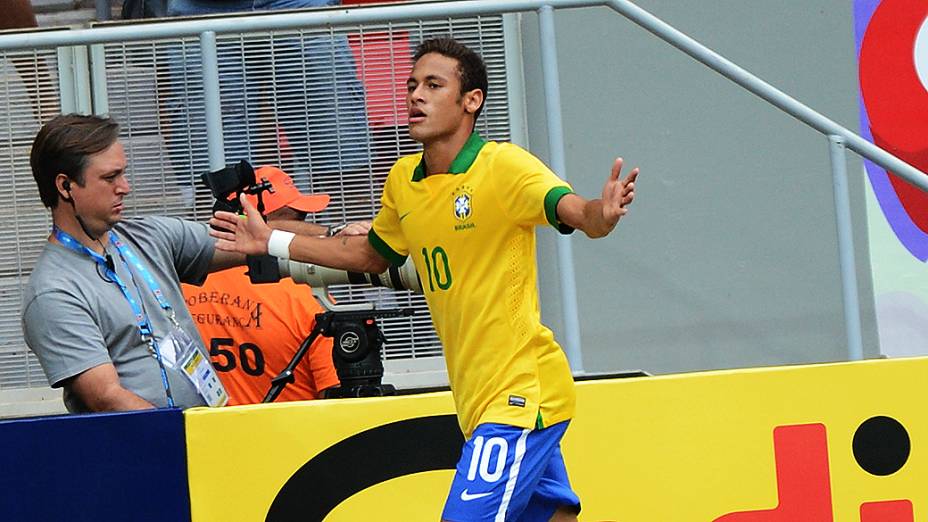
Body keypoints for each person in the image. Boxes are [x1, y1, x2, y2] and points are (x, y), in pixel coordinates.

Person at [209, 38, 639, 521]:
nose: (415, 95)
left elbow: (578, 212)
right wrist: (269, 241)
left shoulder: (503, 168)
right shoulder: (404, 180)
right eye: (412, 85)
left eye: (434, 85)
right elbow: (368, 254)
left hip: (520, 397)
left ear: (470, 101)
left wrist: (604, 212)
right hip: (477, 398)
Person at [22, 114, 243, 414]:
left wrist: (321, 242)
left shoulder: (147, 235)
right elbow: (105, 397)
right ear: (65, 186)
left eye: (123, 174)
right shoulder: (53, 290)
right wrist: (183, 438)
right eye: (110, 178)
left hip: (202, 437)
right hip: (148, 450)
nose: (125, 187)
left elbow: (249, 243)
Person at [181, 165, 344, 405]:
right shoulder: (310, 299)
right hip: (291, 438)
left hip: (198, 436)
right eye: (298, 218)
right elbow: (337, 399)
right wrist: (339, 241)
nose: (304, 226)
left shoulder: (180, 282)